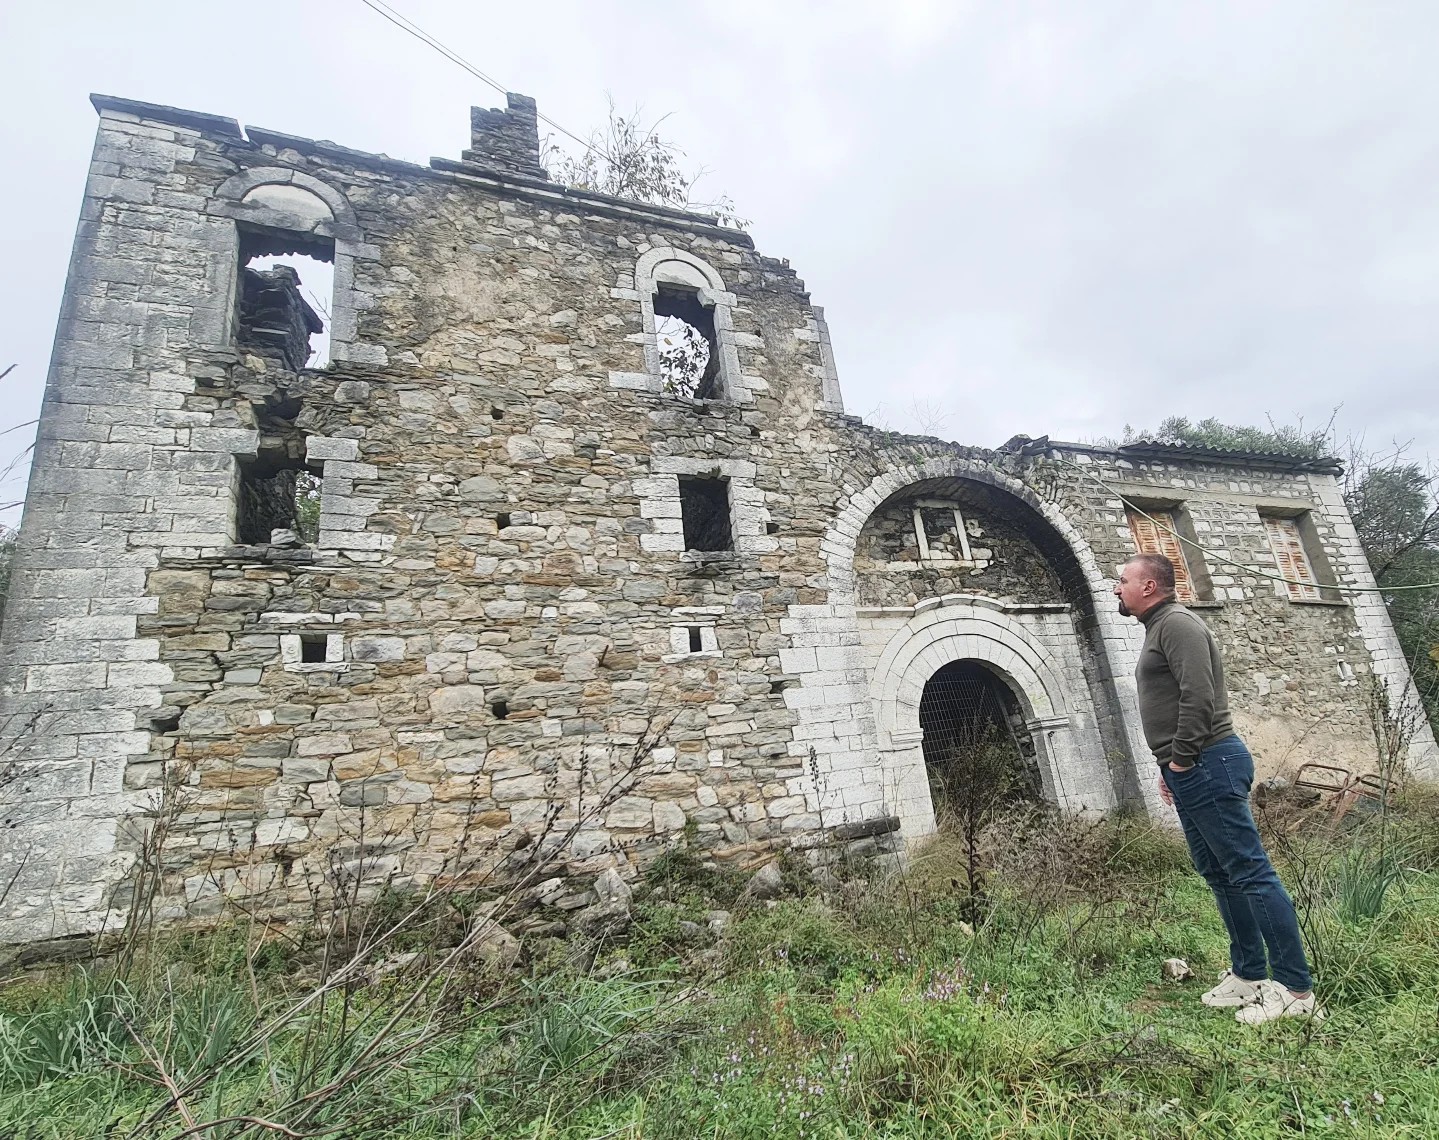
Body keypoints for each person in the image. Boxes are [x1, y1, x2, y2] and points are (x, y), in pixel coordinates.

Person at [1115, 552, 1322, 1024]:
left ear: (1150, 586)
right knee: (1220, 874)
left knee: (1250, 872)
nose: (1117, 588)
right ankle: (1249, 977)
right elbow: (1173, 701)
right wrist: (1168, 766)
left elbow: (1199, 695)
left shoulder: (1178, 624)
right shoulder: (1159, 628)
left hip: (1209, 761)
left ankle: (1295, 992)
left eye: (1123, 580)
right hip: (1190, 766)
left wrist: (1183, 758)